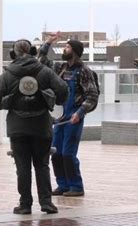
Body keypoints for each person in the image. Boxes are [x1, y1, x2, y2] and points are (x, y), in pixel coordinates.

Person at [0, 39, 69, 214]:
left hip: (17, 127)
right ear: (33, 51)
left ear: (13, 54)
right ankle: (46, 202)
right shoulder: (45, 72)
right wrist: (55, 100)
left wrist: (9, 101)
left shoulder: (7, 75)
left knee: (22, 167)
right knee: (42, 165)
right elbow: (63, 89)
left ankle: (25, 204)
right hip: (41, 125)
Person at [39, 33, 99, 197]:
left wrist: (80, 113)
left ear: (75, 51)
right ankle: (63, 185)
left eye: (67, 47)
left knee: (68, 154)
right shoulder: (60, 68)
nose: (64, 49)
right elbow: (41, 62)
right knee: (56, 153)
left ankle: (76, 186)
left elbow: (92, 96)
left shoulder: (84, 72)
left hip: (74, 118)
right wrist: (48, 44)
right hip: (61, 118)